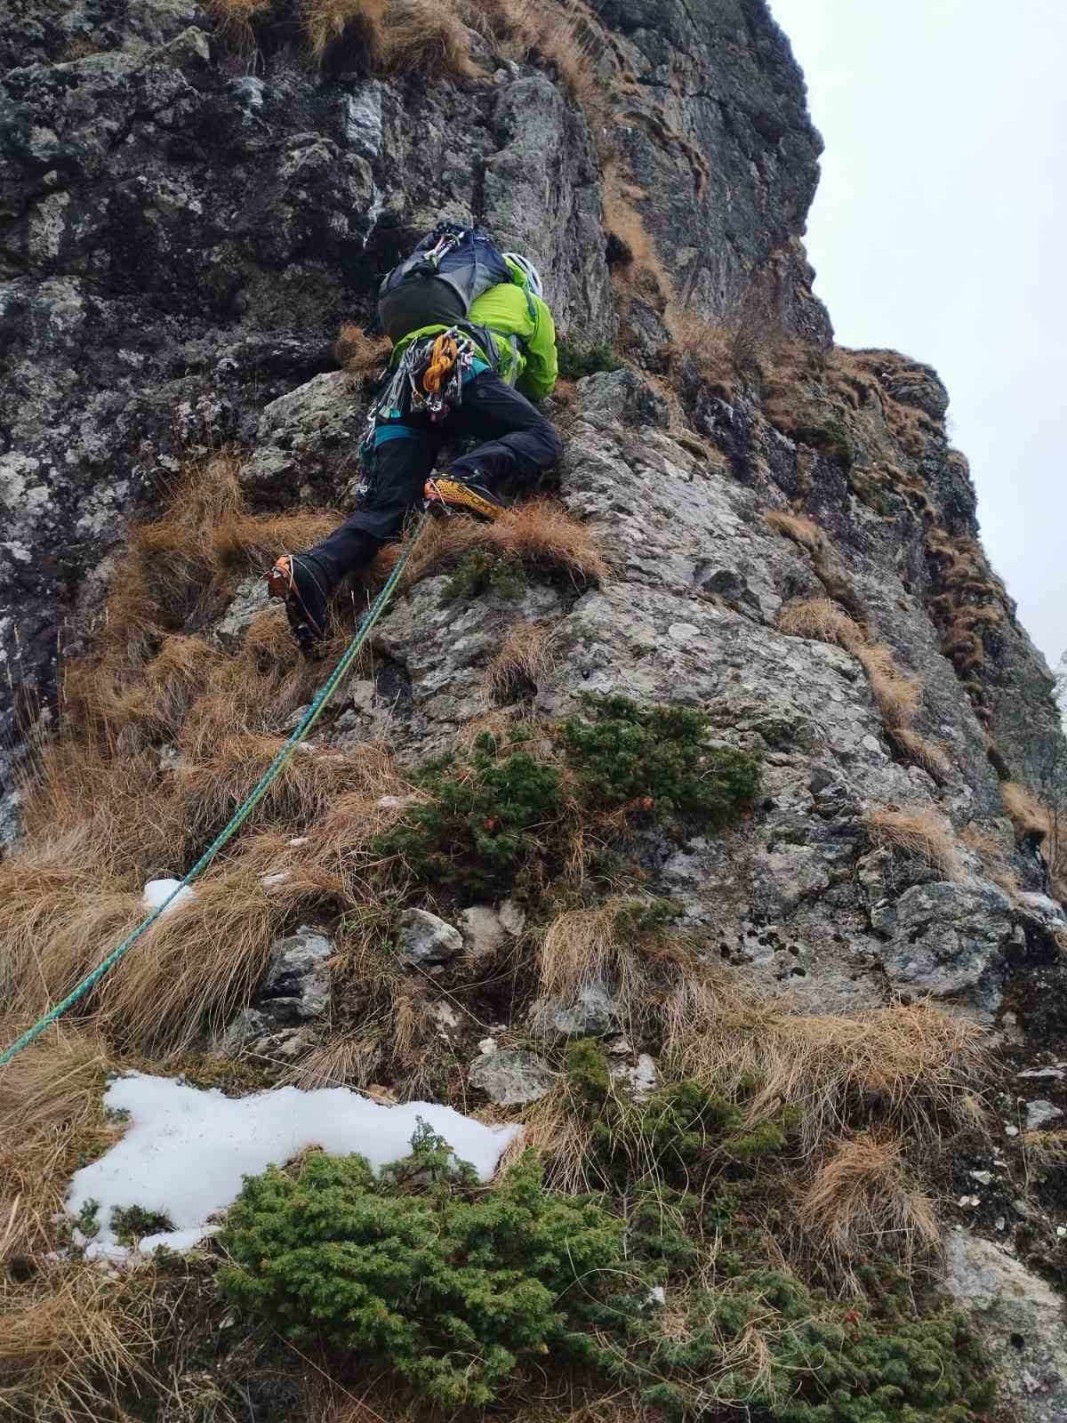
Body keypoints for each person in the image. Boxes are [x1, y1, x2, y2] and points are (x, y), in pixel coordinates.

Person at [267, 223, 563, 653]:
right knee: (541, 436)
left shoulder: (450, 296)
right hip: (455, 366)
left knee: (389, 510)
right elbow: (543, 379)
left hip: (401, 386)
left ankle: (315, 569)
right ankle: (465, 478)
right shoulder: (527, 301)